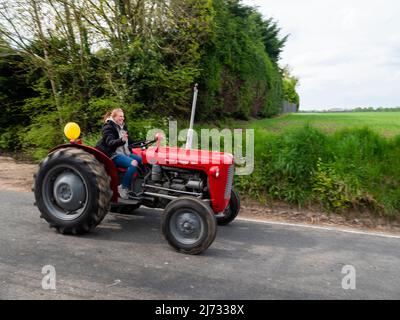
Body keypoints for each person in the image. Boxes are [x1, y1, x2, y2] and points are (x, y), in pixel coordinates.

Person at [96, 108, 142, 199]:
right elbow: (110, 142)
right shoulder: (108, 127)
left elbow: (131, 142)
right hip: (113, 154)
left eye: (123, 116)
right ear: (114, 117)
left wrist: (143, 142)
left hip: (125, 153)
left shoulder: (122, 127)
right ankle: (122, 187)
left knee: (140, 159)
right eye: (120, 116)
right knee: (133, 163)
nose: (122, 118)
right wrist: (121, 140)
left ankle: (137, 184)